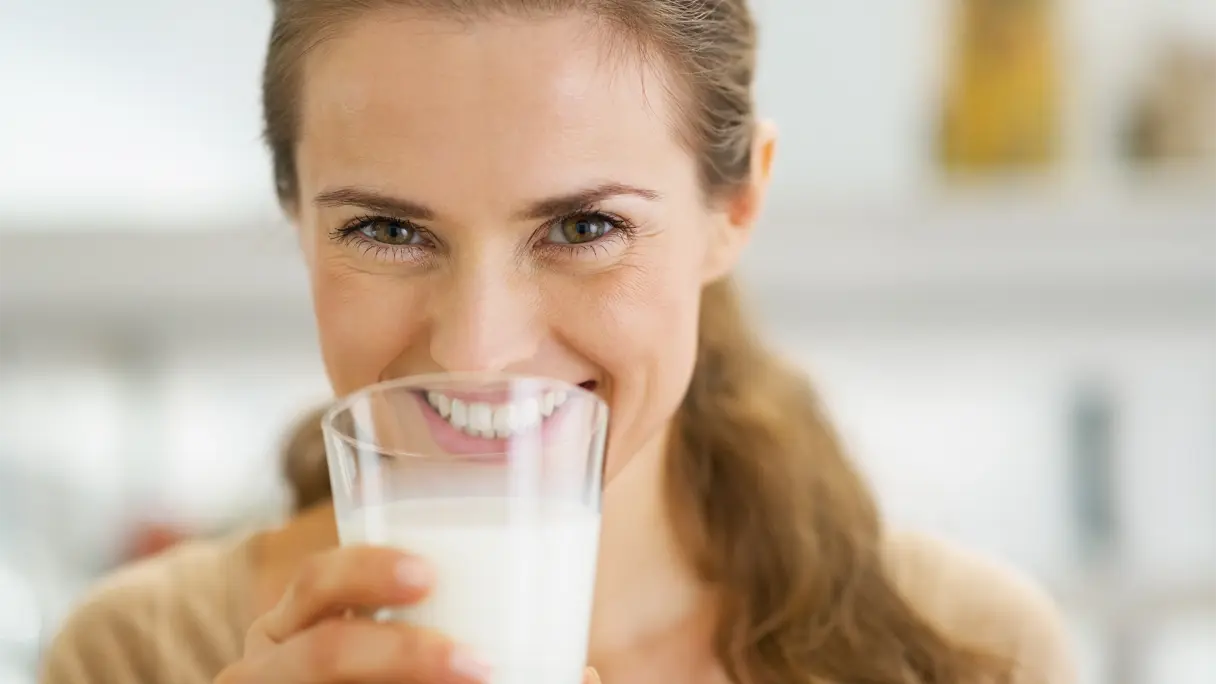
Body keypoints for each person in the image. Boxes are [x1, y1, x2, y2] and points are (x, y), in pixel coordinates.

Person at [40, 1, 1076, 683]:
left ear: (737, 205)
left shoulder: (970, 652)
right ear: (295, 213)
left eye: (584, 228)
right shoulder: (141, 656)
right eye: (387, 231)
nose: (479, 351)